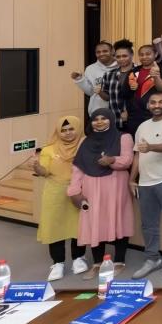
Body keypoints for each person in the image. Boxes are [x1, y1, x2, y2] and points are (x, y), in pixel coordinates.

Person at [67, 109, 134, 278]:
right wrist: (74, 190)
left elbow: (127, 160)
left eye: (104, 118)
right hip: (91, 187)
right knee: (94, 221)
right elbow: (78, 167)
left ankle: (119, 261)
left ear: (111, 119)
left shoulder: (124, 137)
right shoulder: (85, 140)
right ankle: (97, 263)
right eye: (95, 119)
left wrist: (112, 160)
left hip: (116, 185)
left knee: (118, 219)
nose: (99, 121)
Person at [129, 93, 162, 278]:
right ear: (148, 105)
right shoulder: (142, 126)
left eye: (161, 102)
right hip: (145, 182)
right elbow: (137, 154)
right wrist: (132, 179)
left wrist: (151, 147)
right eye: (153, 102)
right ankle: (152, 258)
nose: (157, 105)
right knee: (148, 224)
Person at [35, 116, 89, 280]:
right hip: (55, 193)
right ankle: (58, 263)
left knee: (78, 225)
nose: (67, 133)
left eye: (71, 129)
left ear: (78, 129)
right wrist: (37, 168)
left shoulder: (86, 146)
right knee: (54, 226)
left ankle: (78, 258)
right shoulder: (48, 150)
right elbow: (45, 172)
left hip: (79, 191)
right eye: (63, 130)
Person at [71, 41, 116, 118]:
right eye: (98, 52)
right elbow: (90, 92)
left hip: (118, 111)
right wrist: (79, 79)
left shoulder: (121, 66)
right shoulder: (90, 69)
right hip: (98, 112)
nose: (101, 54)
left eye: (105, 51)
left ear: (112, 51)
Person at [99, 39, 136, 132]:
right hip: (115, 121)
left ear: (132, 55)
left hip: (135, 120)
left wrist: (128, 111)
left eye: (124, 56)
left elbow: (142, 98)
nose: (121, 59)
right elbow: (107, 98)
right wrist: (99, 92)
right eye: (118, 56)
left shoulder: (139, 72)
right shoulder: (109, 75)